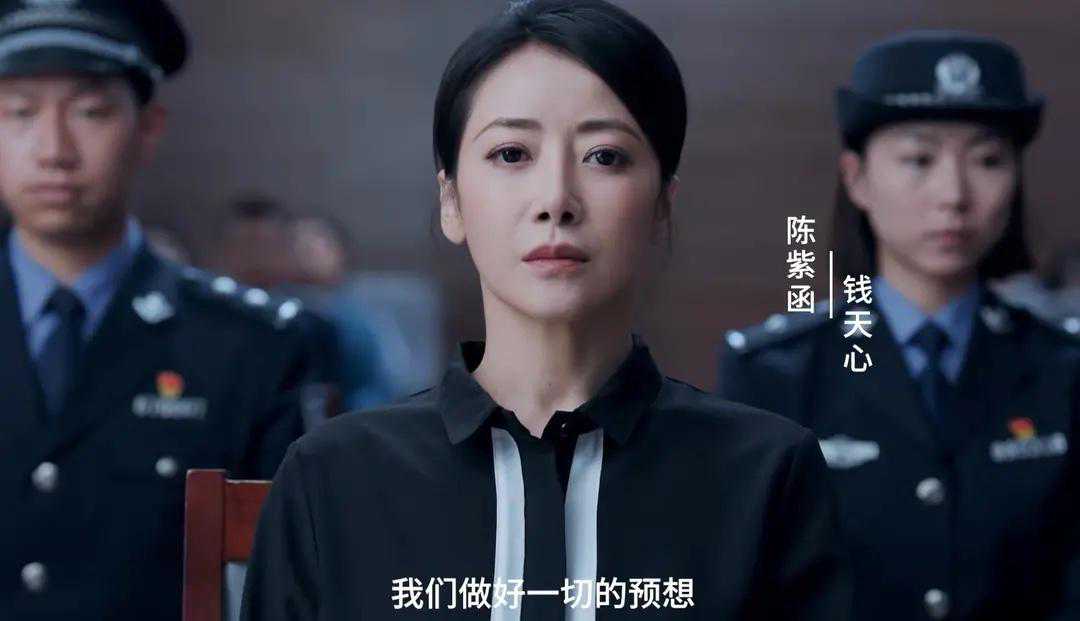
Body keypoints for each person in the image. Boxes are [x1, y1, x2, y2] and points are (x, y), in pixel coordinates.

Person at [241, 1, 853, 619]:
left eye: (605, 156)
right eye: (512, 154)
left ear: (662, 205)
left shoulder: (766, 474)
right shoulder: (332, 475)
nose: (556, 199)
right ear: (451, 201)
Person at [718, 31, 1080, 620]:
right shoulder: (777, 372)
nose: (954, 194)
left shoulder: (1062, 365)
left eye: (988, 160)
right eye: (919, 159)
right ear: (857, 179)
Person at [0, 2, 311, 619]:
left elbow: (289, 585)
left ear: (148, 128)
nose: (54, 150)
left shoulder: (250, 347)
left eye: (91, 112)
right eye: (19, 113)